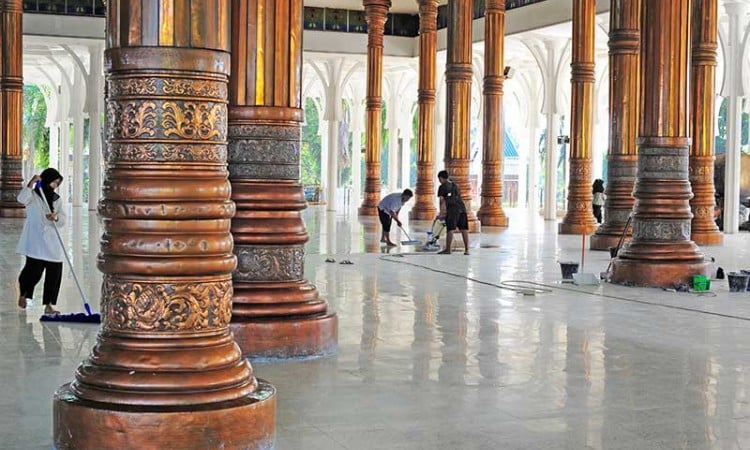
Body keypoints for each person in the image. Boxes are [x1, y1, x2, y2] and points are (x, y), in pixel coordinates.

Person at [16, 168, 66, 315]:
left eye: (57, 183)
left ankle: (49, 304)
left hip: (52, 242)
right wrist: (31, 183)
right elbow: (21, 199)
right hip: (36, 241)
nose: (55, 185)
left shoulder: (57, 199)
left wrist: (55, 217)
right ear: (45, 179)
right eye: (53, 181)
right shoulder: (32, 196)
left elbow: (63, 220)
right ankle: (24, 294)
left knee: (55, 272)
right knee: (33, 272)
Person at [436, 170, 469, 255]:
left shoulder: (442, 187)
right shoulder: (455, 185)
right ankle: (467, 250)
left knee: (450, 229)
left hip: (452, 209)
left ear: (441, 178)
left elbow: (442, 201)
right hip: (462, 208)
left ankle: (448, 250)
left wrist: (441, 213)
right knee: (464, 229)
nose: (439, 181)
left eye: (439, 179)